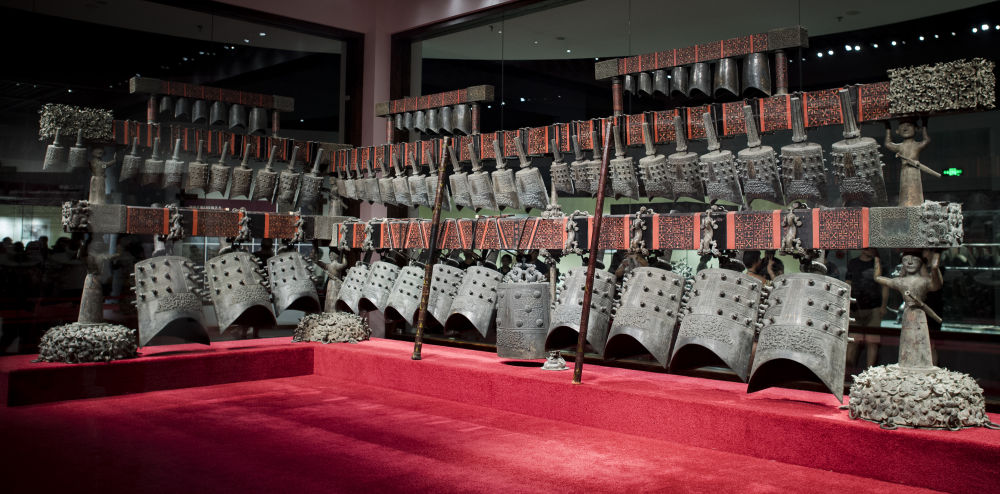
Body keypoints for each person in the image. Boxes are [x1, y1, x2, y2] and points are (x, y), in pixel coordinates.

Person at [846, 248, 888, 368]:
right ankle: (848, 370)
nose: (870, 250)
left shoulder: (880, 264)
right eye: (868, 248)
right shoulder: (853, 263)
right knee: (853, 340)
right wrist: (846, 303)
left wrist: (883, 306)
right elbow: (848, 283)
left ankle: (870, 371)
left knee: (872, 341)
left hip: (874, 307)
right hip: (855, 308)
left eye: (873, 248)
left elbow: (885, 286)